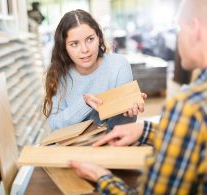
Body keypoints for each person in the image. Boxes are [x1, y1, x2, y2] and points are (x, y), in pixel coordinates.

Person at [69, 0, 207, 194]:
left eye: (179, 28)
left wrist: (101, 177)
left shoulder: (188, 108)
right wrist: (145, 129)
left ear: (195, 29)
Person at [43, 9, 146, 131]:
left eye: (90, 39)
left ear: (99, 37)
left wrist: (129, 110)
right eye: (74, 44)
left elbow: (123, 127)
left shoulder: (119, 65)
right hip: (75, 148)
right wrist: (84, 103)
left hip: (114, 144)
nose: (85, 49)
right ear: (64, 47)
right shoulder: (60, 73)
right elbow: (54, 124)